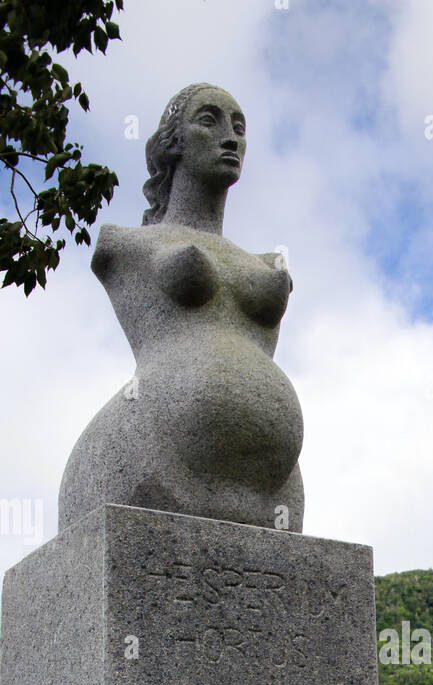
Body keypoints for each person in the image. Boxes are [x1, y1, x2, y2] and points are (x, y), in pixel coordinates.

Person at [58, 83, 304, 532]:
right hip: (154, 453)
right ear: (172, 142)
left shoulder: (266, 263)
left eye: (240, 127)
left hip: (274, 483)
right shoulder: (124, 244)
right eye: (209, 121)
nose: (230, 137)